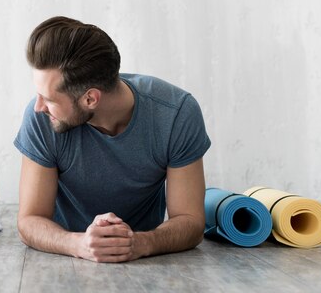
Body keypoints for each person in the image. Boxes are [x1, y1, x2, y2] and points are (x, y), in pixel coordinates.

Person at [14, 16, 211, 263]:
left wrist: (140, 243)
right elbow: (29, 221)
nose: (39, 107)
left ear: (90, 99)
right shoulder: (41, 119)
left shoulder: (176, 114)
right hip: (61, 259)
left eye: (50, 99)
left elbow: (191, 222)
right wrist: (79, 244)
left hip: (148, 262)